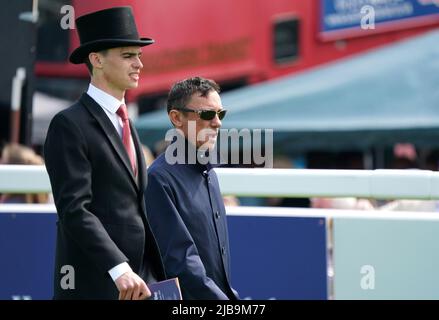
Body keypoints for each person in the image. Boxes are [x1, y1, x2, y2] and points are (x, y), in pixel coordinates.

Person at [44, 7, 165, 300]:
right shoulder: (68, 124)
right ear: (96, 59)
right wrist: (118, 268)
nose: (138, 64)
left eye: (139, 56)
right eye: (127, 55)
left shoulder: (128, 123)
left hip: (139, 283)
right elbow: (74, 210)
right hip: (95, 285)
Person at [144, 77, 239, 300]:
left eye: (220, 114)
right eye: (207, 114)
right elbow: (180, 261)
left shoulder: (209, 173)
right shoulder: (159, 178)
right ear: (176, 117)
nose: (217, 123)